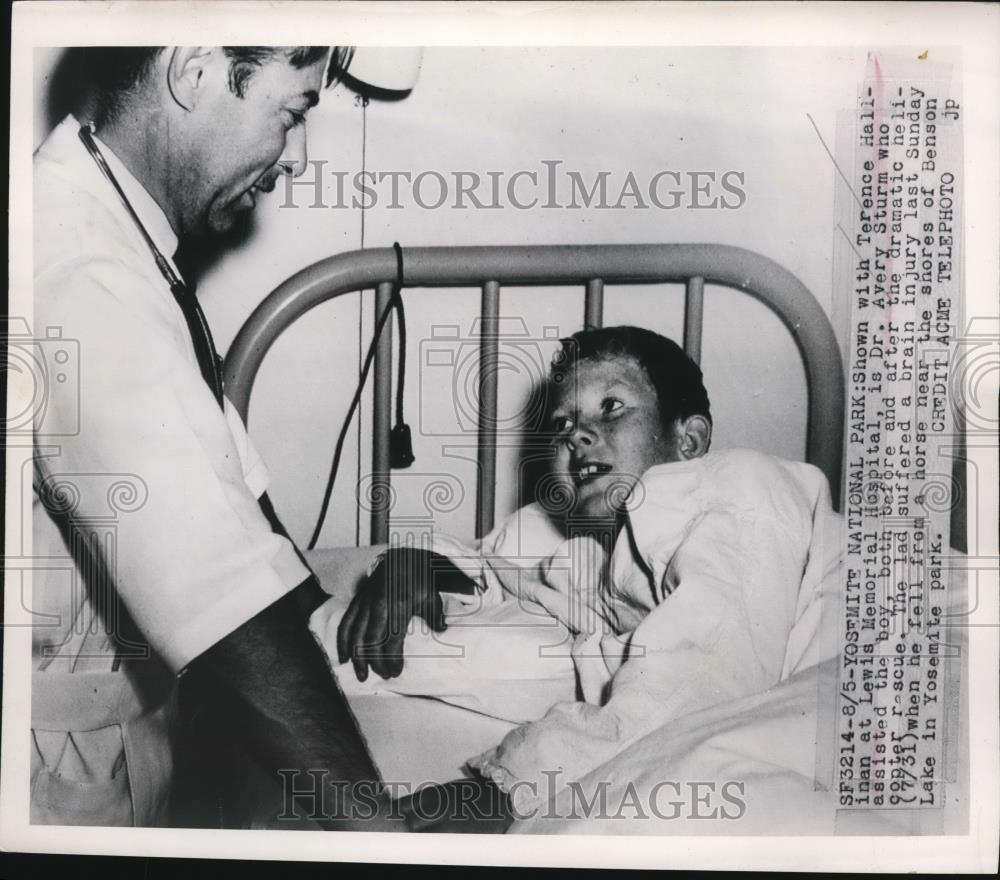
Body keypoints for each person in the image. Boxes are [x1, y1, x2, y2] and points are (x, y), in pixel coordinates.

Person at [31, 46, 401, 829]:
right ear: (196, 69)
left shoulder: (111, 226)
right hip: (56, 784)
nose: (292, 158)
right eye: (290, 113)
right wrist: (382, 832)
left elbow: (242, 528)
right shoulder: (85, 273)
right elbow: (232, 615)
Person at [336, 326, 841, 827]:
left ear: (689, 439)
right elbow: (495, 564)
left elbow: (707, 668)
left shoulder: (739, 489)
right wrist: (414, 562)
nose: (575, 435)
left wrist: (509, 787)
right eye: (562, 424)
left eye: (612, 407)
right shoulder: (577, 537)